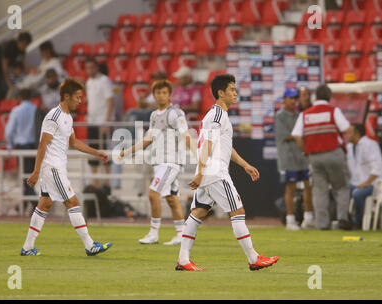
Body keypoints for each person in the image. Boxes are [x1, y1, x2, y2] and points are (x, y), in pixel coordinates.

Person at [175, 74, 279, 271]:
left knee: (198, 212)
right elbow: (208, 143)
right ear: (220, 92)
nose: (235, 93)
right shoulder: (217, 115)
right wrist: (202, 172)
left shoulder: (217, 115)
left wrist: (244, 164)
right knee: (238, 211)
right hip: (215, 173)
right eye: (232, 89)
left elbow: (225, 146)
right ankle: (253, 258)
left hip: (208, 172)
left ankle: (183, 259)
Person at [21, 78, 112, 256]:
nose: (80, 100)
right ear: (66, 96)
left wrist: (96, 152)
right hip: (53, 168)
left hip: (55, 167)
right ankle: (90, 245)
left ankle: (27, 247)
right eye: (77, 97)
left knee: (45, 204)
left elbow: (74, 143)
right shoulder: (53, 117)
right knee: (72, 202)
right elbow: (43, 144)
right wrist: (36, 171)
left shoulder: (68, 117)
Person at [119, 80, 197, 245]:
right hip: (159, 162)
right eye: (158, 93)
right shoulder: (154, 115)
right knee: (171, 198)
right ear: (154, 95)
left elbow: (186, 135)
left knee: (153, 193)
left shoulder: (176, 114)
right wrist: (127, 151)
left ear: (169, 95)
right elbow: (148, 139)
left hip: (171, 161)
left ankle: (154, 233)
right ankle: (181, 234)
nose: (161, 95)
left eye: (164, 92)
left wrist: (198, 157)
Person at [291, 84, 352, 230]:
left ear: (315, 97)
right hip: (334, 153)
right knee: (342, 187)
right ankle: (342, 219)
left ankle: (322, 224)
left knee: (319, 190)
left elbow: (296, 136)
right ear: (329, 97)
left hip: (314, 156)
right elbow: (347, 129)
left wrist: (306, 150)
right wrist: (344, 143)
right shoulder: (333, 110)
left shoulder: (305, 114)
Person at [275, 88, 314, 230]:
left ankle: (308, 219)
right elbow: (287, 136)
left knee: (308, 187)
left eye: (295, 98)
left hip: (302, 157)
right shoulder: (280, 116)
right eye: (290, 98)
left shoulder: (300, 115)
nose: (293, 101)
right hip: (288, 158)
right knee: (290, 189)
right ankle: (290, 220)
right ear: (284, 99)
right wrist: (300, 137)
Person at [346, 123, 382, 229]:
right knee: (341, 191)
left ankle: (358, 222)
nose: (346, 135)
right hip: (356, 183)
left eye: (349, 132)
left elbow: (378, 168)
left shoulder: (370, 144)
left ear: (357, 134)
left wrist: (366, 183)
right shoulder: (350, 147)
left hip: (373, 184)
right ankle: (346, 219)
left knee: (357, 194)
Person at [84, 57, 114, 190]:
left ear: (97, 67)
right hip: (92, 121)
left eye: (92, 67)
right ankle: (95, 180)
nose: (90, 70)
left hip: (102, 121)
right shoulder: (89, 82)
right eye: (87, 68)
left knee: (104, 151)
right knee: (93, 150)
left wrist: (107, 121)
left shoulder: (104, 80)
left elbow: (110, 101)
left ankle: (108, 180)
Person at [5, 88, 37, 204]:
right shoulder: (35, 110)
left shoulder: (16, 110)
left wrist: (9, 144)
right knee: (29, 177)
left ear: (20, 98)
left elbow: (9, 131)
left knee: (25, 178)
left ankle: (35, 203)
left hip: (21, 147)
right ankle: (25, 204)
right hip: (34, 147)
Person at [0, 31, 32, 100]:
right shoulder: (9, 47)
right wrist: (9, 83)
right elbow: (4, 67)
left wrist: (32, 72)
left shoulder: (22, 50)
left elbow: (24, 65)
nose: (25, 47)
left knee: (5, 90)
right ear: (19, 41)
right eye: (24, 44)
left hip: (0, 68)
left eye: (26, 45)